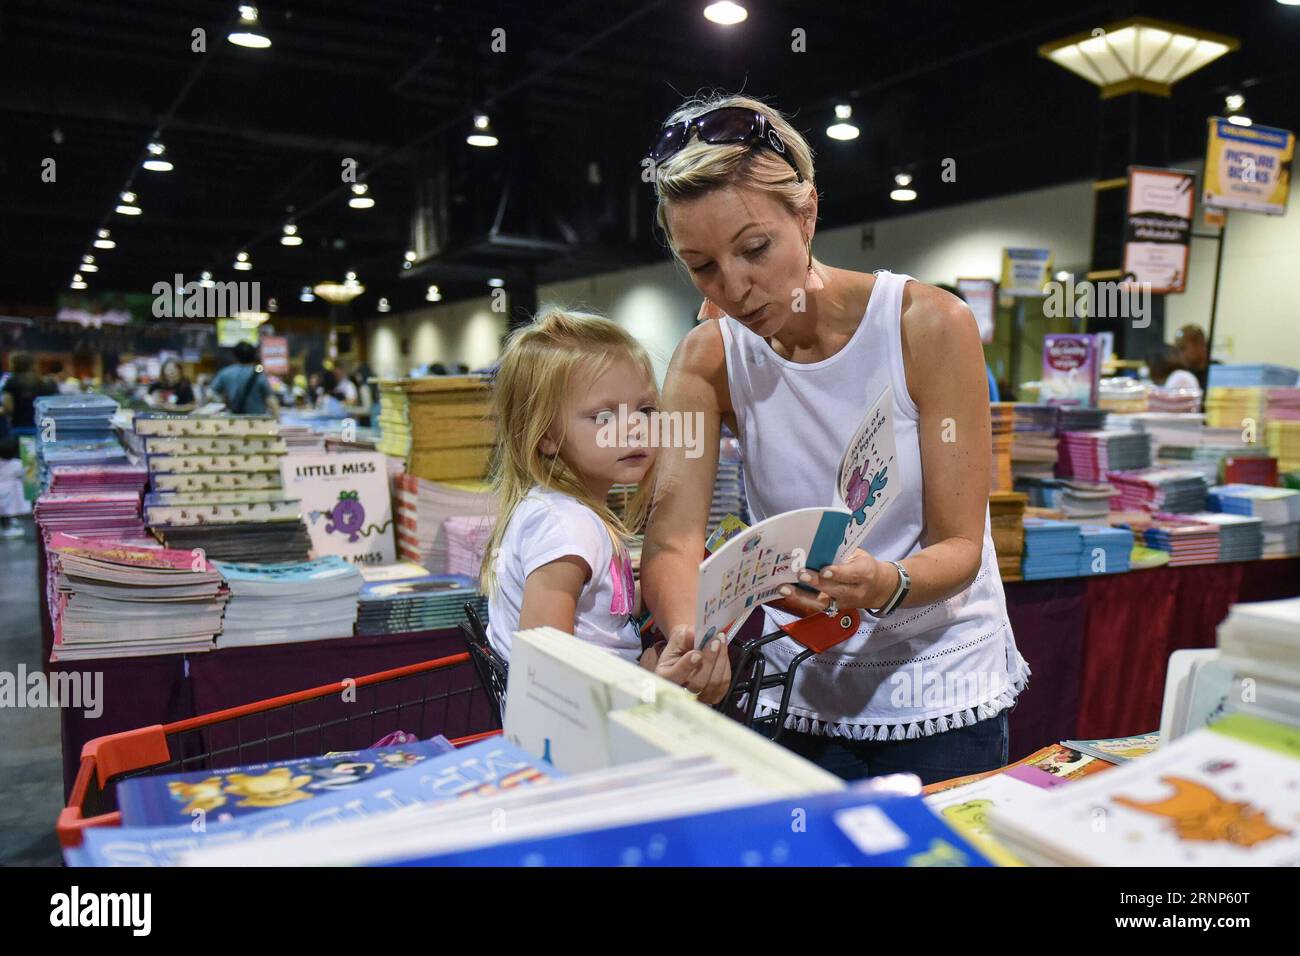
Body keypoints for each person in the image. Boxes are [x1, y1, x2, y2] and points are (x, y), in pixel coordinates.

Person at [640, 95, 1028, 784]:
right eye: (701, 266)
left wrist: (885, 583)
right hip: (803, 693)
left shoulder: (927, 324)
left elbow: (963, 545)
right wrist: (688, 634)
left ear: (807, 213)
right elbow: (672, 539)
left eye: (754, 249)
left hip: (941, 690)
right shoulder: (705, 360)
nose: (733, 287)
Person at [480, 307, 729, 696]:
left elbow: (597, 617)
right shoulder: (568, 528)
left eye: (646, 410)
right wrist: (646, 685)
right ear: (545, 435)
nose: (634, 428)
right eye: (604, 416)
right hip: (582, 735)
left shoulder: (564, 512)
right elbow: (545, 668)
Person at [208, 342, 278, 415]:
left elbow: (210, 394)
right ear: (254, 355)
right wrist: (277, 418)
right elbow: (271, 400)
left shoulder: (225, 372)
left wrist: (223, 403)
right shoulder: (259, 372)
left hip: (233, 420)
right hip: (257, 420)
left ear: (235, 356)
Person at [2, 354, 57, 433]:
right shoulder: (43, 383)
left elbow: (8, 407)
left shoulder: (11, 382)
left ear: (14, 365)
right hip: (42, 427)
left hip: (19, 427)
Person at [1175, 325, 1218, 392]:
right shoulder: (1181, 374)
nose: (1178, 354)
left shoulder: (1218, 372)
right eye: (1176, 350)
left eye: (1182, 348)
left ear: (1200, 346)